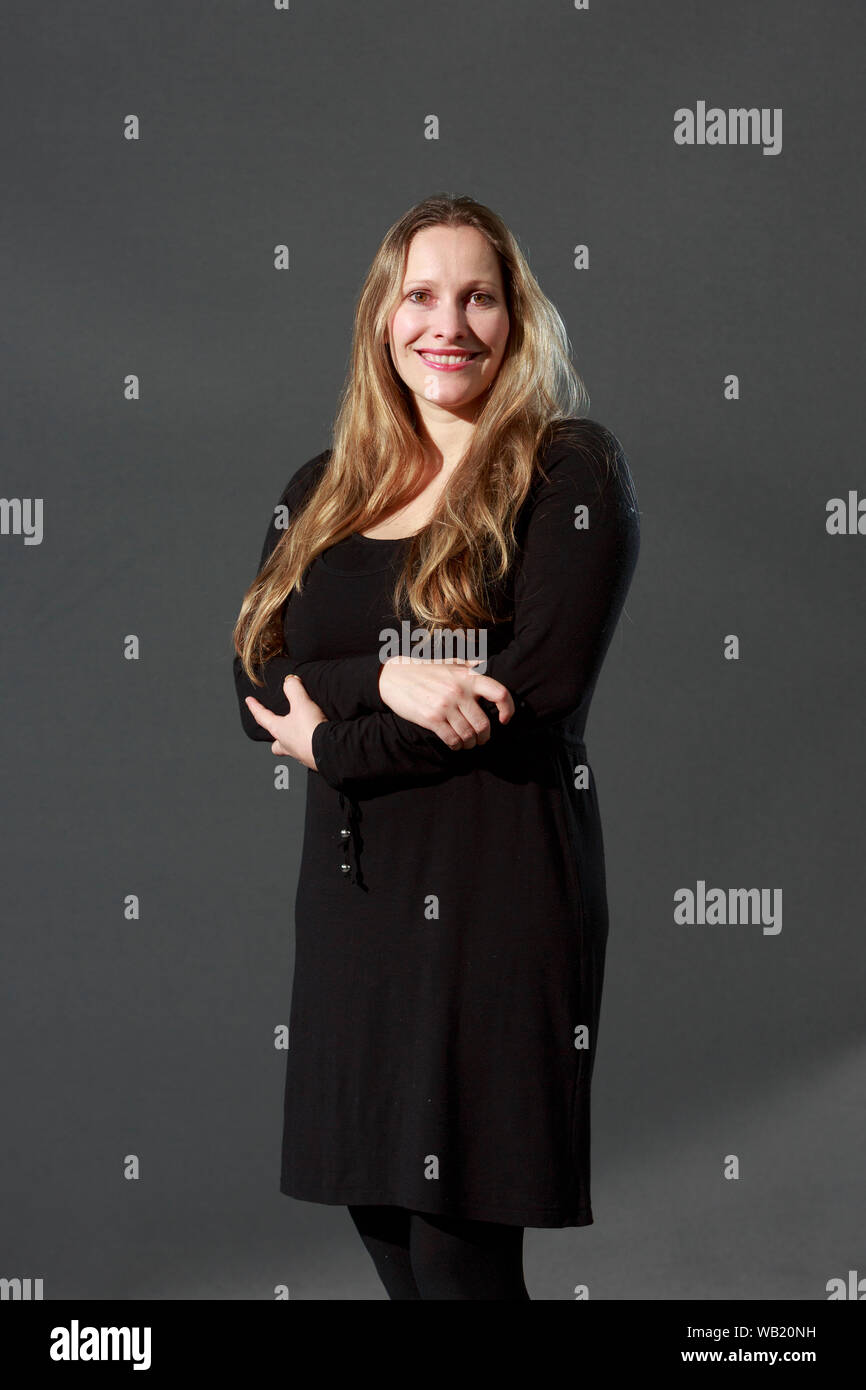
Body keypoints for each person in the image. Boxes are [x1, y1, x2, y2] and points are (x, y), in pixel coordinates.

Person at [232, 192, 640, 1300]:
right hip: (358, 909)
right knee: (391, 1237)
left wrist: (342, 744)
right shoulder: (317, 495)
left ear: (516, 318)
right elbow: (253, 682)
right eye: (419, 294)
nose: (446, 323)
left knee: (459, 1253)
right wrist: (385, 678)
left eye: (478, 296)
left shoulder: (567, 469)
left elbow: (535, 691)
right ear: (380, 318)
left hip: (497, 902)